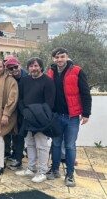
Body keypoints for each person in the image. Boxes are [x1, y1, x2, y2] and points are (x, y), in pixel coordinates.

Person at [47, 48, 92, 187]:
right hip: (55, 116)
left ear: (67, 57)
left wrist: (86, 113)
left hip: (71, 116)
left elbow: (85, 93)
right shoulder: (51, 72)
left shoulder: (77, 71)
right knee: (55, 144)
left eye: (62, 56)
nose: (59, 59)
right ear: (54, 59)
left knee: (70, 145)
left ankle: (70, 174)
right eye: (57, 57)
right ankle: (54, 169)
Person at [16, 57, 55, 183]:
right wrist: (24, 112)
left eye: (36, 66)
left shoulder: (48, 81)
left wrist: (37, 114)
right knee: (30, 144)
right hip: (27, 117)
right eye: (31, 66)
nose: (34, 68)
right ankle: (31, 168)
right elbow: (20, 99)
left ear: (41, 67)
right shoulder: (24, 80)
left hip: (40, 118)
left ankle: (42, 171)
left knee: (42, 146)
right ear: (28, 68)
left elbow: (49, 103)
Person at [4, 57, 28, 171]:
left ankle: (19, 159)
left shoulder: (28, 77)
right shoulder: (9, 79)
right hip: (13, 110)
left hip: (25, 111)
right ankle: (14, 156)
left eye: (15, 67)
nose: (14, 70)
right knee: (13, 134)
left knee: (20, 135)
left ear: (20, 65)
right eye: (10, 68)